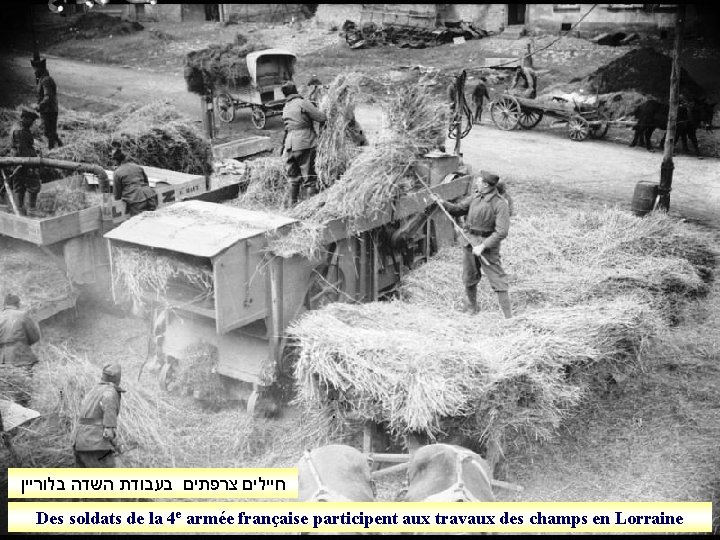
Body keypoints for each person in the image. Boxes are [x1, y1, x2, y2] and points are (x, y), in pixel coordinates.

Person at [439, 171, 512, 318]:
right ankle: (471, 308)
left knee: (498, 279)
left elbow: (501, 232)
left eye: (478, 180)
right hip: (469, 242)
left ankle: (508, 316)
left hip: (487, 247)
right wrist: (442, 203)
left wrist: (483, 246)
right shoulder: (475, 197)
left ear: (485, 184)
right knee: (469, 277)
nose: (476, 182)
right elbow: (458, 209)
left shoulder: (500, 204)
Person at [280, 81, 327, 205]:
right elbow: (321, 117)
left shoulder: (286, 107)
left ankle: (291, 206)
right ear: (296, 90)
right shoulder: (302, 103)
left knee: (293, 179)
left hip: (289, 145)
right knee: (310, 178)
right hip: (304, 142)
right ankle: (310, 208)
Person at [73, 363, 124, 468]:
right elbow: (108, 431)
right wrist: (116, 444)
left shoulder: (93, 390)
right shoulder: (110, 392)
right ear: (118, 379)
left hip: (79, 442)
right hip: (95, 446)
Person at [0, 293, 41, 405]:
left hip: (3, 359)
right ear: (17, 304)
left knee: (7, 391)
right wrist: (23, 343)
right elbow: (35, 336)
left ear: (5, 304)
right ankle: (26, 414)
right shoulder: (23, 315)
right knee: (25, 388)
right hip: (22, 356)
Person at [10, 108, 42, 216]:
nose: (32, 123)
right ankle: (31, 211)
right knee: (32, 184)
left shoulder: (20, 128)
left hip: (18, 162)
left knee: (19, 186)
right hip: (24, 163)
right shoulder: (20, 131)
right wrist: (34, 162)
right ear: (24, 118)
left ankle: (21, 212)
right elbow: (23, 151)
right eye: (31, 120)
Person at [111, 147, 158, 216]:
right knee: (152, 220)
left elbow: (117, 194)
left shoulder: (117, 173)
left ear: (116, 161)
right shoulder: (137, 167)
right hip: (150, 196)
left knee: (139, 223)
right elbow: (146, 182)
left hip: (136, 200)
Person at [31, 57, 63, 150]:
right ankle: (58, 146)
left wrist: (39, 106)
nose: (34, 71)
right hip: (48, 109)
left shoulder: (46, 80)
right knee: (50, 131)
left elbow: (48, 96)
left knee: (48, 132)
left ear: (41, 69)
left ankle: (51, 150)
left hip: (49, 110)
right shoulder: (43, 79)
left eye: (36, 69)